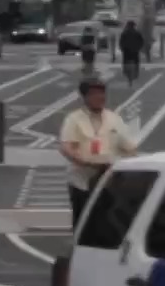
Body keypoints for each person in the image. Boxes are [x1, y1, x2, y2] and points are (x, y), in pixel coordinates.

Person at [58, 75, 138, 226]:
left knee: (108, 222)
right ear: (85, 97)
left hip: (109, 180)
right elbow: (67, 147)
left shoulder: (114, 119)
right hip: (82, 181)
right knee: (83, 222)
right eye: (94, 94)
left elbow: (130, 148)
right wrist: (86, 162)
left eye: (102, 93)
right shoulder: (74, 119)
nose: (99, 97)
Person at [117, 21, 144, 85]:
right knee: (136, 62)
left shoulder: (124, 33)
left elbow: (121, 42)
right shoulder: (137, 33)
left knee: (125, 61)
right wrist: (138, 48)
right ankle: (136, 72)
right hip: (135, 51)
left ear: (128, 26)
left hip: (126, 51)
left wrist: (122, 49)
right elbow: (141, 42)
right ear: (134, 26)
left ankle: (125, 71)